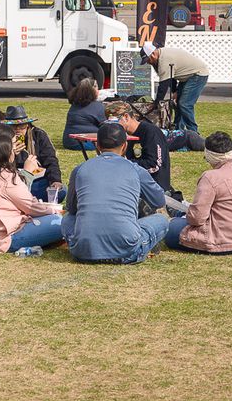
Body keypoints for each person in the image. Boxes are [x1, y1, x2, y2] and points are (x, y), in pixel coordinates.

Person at [62, 122, 168, 264]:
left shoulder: (80, 169)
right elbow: (159, 201)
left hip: (83, 251)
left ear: (97, 146)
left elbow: (72, 209)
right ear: (124, 146)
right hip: (127, 251)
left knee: (67, 219)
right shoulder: (136, 170)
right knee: (161, 220)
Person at [163, 132, 232, 254]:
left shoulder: (210, 177)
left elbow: (197, 219)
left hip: (229, 242)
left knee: (169, 228)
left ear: (208, 155)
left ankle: (177, 214)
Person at [0, 123, 62, 252]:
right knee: (59, 222)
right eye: (13, 143)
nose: (15, 148)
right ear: (5, 148)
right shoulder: (5, 175)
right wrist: (28, 173)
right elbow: (31, 207)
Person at [105, 100, 178, 201]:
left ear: (126, 117)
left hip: (152, 189)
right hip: (131, 186)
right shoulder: (120, 135)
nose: (111, 127)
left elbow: (154, 165)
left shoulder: (151, 132)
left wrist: (123, 163)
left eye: (114, 122)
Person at [141, 41, 209, 132]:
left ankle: (193, 132)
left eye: (148, 60)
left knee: (185, 104)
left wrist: (157, 103)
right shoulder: (160, 57)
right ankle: (178, 130)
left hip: (198, 74)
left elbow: (163, 86)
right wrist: (175, 91)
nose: (148, 63)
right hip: (187, 76)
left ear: (153, 54)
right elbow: (171, 78)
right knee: (178, 104)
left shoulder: (164, 60)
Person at [3, 105, 62, 202]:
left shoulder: (38, 135)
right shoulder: (2, 139)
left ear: (27, 125)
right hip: (11, 183)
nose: (18, 129)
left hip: (37, 180)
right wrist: (10, 154)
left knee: (60, 191)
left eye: (21, 126)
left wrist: (55, 180)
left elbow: (50, 159)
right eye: (13, 126)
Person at [62, 78, 107, 151]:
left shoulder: (74, 105)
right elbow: (106, 125)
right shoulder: (97, 106)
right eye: (97, 88)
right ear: (93, 90)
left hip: (68, 142)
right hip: (84, 143)